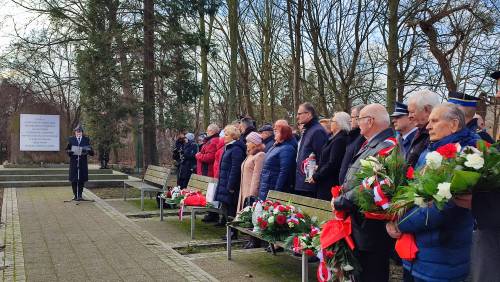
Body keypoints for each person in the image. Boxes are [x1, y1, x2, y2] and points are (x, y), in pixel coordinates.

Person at [387, 103, 478, 282]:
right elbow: (413, 193)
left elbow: (440, 208)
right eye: (429, 121)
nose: (428, 126)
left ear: (453, 124)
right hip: (418, 254)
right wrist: (393, 216)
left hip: (442, 259)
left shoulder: (466, 156)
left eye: (434, 121)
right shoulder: (431, 150)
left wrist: (400, 224)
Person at [333, 104, 396, 282]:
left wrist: (341, 201)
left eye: (359, 118)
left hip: (371, 231)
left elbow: (374, 185)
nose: (357, 122)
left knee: (371, 274)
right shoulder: (372, 143)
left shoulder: (386, 146)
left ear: (370, 121)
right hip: (360, 226)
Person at [308, 112, 350, 201]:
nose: (330, 123)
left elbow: (333, 163)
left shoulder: (340, 140)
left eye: (332, 121)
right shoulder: (335, 138)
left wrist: (317, 176)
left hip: (329, 184)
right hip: (325, 181)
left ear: (339, 123)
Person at [214, 124, 246, 230]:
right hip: (224, 182)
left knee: (231, 208)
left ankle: (233, 232)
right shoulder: (228, 148)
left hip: (230, 185)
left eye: (226, 135)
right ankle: (229, 231)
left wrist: (231, 185)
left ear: (233, 136)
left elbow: (235, 169)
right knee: (226, 208)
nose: (224, 137)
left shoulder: (236, 149)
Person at [295, 102, 328, 198]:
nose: (297, 117)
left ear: (309, 114)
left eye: (299, 114)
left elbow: (322, 157)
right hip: (302, 182)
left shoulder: (317, 131)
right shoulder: (308, 130)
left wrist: (313, 176)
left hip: (309, 185)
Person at [258, 120, 297, 200]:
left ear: (284, 134)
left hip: (272, 186)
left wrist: (276, 192)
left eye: (277, 131)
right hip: (266, 185)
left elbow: (284, 172)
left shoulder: (287, 149)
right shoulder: (275, 146)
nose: (274, 133)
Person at [406, 89, 440, 167]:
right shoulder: (420, 132)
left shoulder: (435, 135)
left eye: (412, 112)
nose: (409, 116)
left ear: (427, 109)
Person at [237, 132, 265, 212]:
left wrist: (251, 196)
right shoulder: (250, 155)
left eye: (248, 142)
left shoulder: (260, 155)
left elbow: (257, 178)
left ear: (254, 143)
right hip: (243, 190)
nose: (246, 144)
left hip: (250, 192)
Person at [66, 124, 94, 201]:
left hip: (82, 162)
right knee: (74, 179)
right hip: (74, 162)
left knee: (81, 179)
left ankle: (80, 195)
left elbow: (91, 151)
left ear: (82, 132)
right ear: (75, 132)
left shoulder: (86, 139)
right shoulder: (71, 139)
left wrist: (89, 150)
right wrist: (70, 151)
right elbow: (67, 150)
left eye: (80, 132)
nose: (78, 133)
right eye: (77, 132)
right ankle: (75, 195)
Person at [339, 104, 366, 184]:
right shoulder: (353, 136)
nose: (350, 120)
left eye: (352, 117)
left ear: (359, 117)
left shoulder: (361, 138)